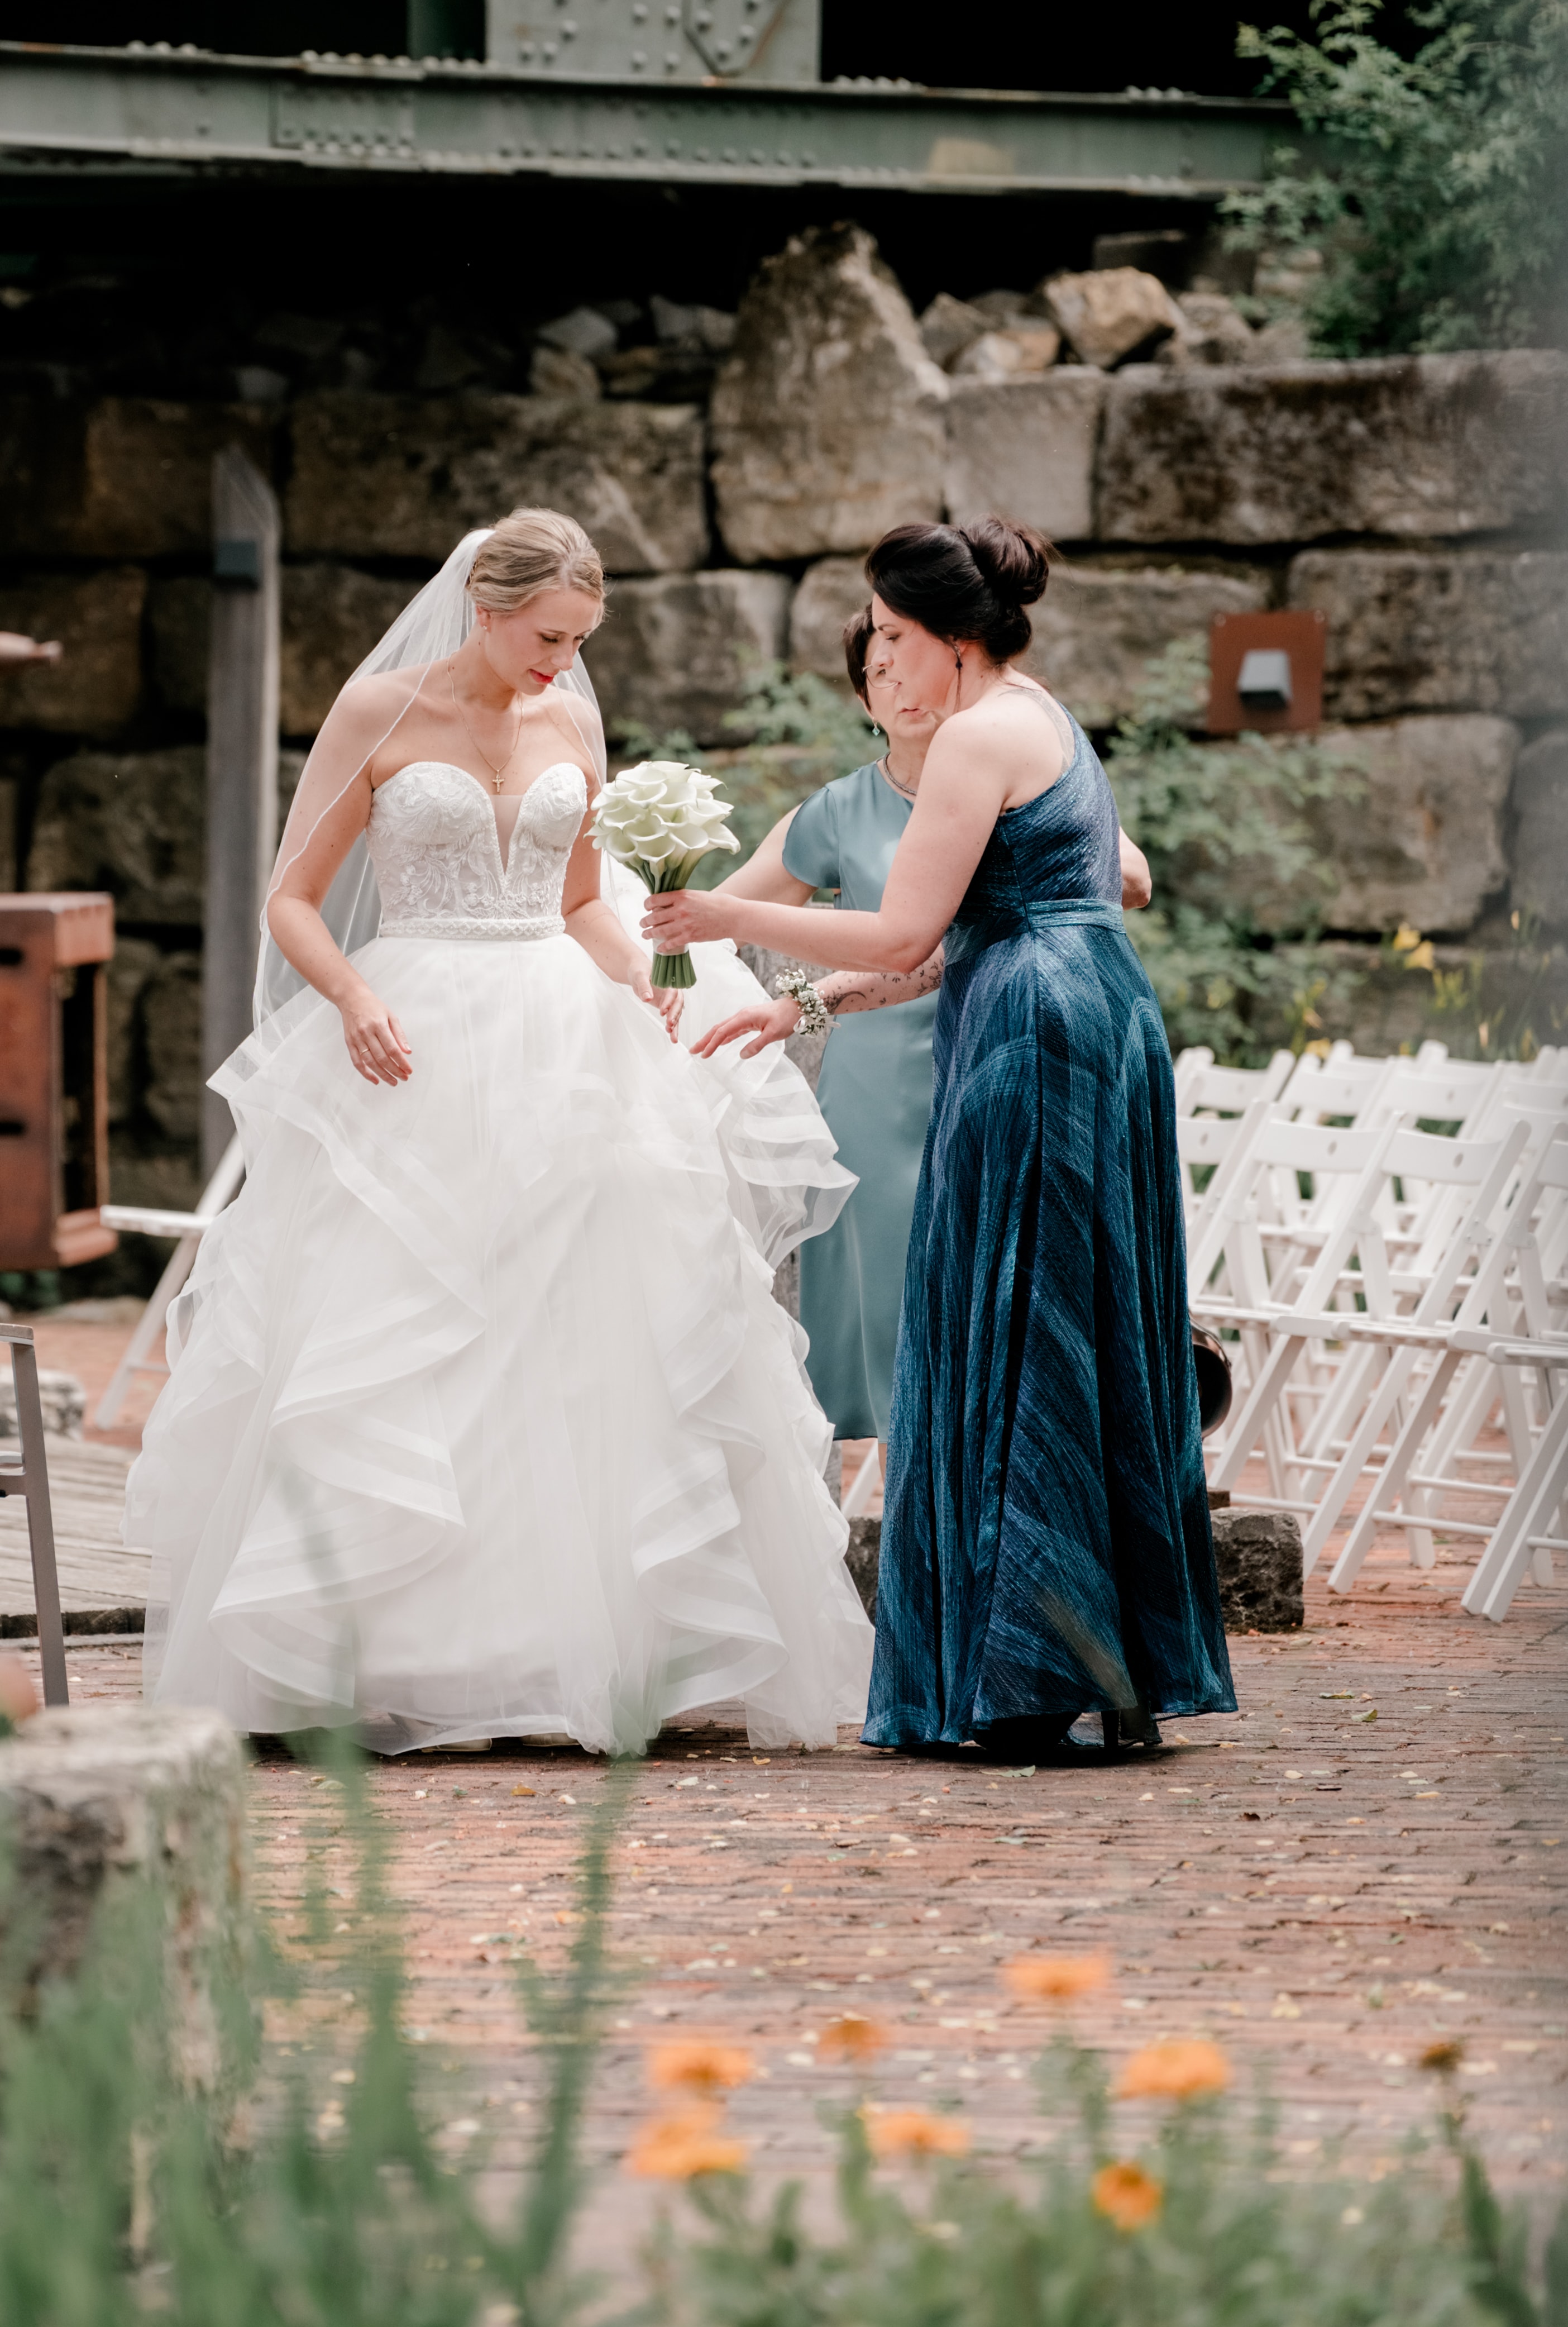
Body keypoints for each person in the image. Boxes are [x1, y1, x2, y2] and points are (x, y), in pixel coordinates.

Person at [121, 510, 872, 1756]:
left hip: (564, 1040)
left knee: (581, 1329)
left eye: (578, 642)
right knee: (401, 1330)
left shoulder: (568, 720)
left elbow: (578, 903)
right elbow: (290, 900)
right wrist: (352, 997)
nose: (560, 663)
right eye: (546, 637)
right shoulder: (378, 710)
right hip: (413, 1033)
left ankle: (569, 1650)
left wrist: (643, 980)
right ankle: (389, 1654)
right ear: (485, 606)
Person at [648, 517, 1234, 1759]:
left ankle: (1025, 1682)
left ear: (953, 639)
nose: (881, 658)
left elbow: (905, 932)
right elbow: (957, 938)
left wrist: (728, 916)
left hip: (1033, 1031)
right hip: (1079, 1010)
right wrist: (800, 1005)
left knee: (1019, 1334)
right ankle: (1098, 1671)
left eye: (894, 635)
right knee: (1067, 1332)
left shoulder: (973, 737)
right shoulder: (1037, 712)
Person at [695, 605, 948, 1448]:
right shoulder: (839, 809)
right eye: (879, 675)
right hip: (876, 1075)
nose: (902, 687)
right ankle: (906, 1476)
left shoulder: (1003, 783)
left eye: (913, 664)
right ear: (864, 700)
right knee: (890, 1287)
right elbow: (728, 910)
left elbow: (1122, 872)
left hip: (986, 1043)